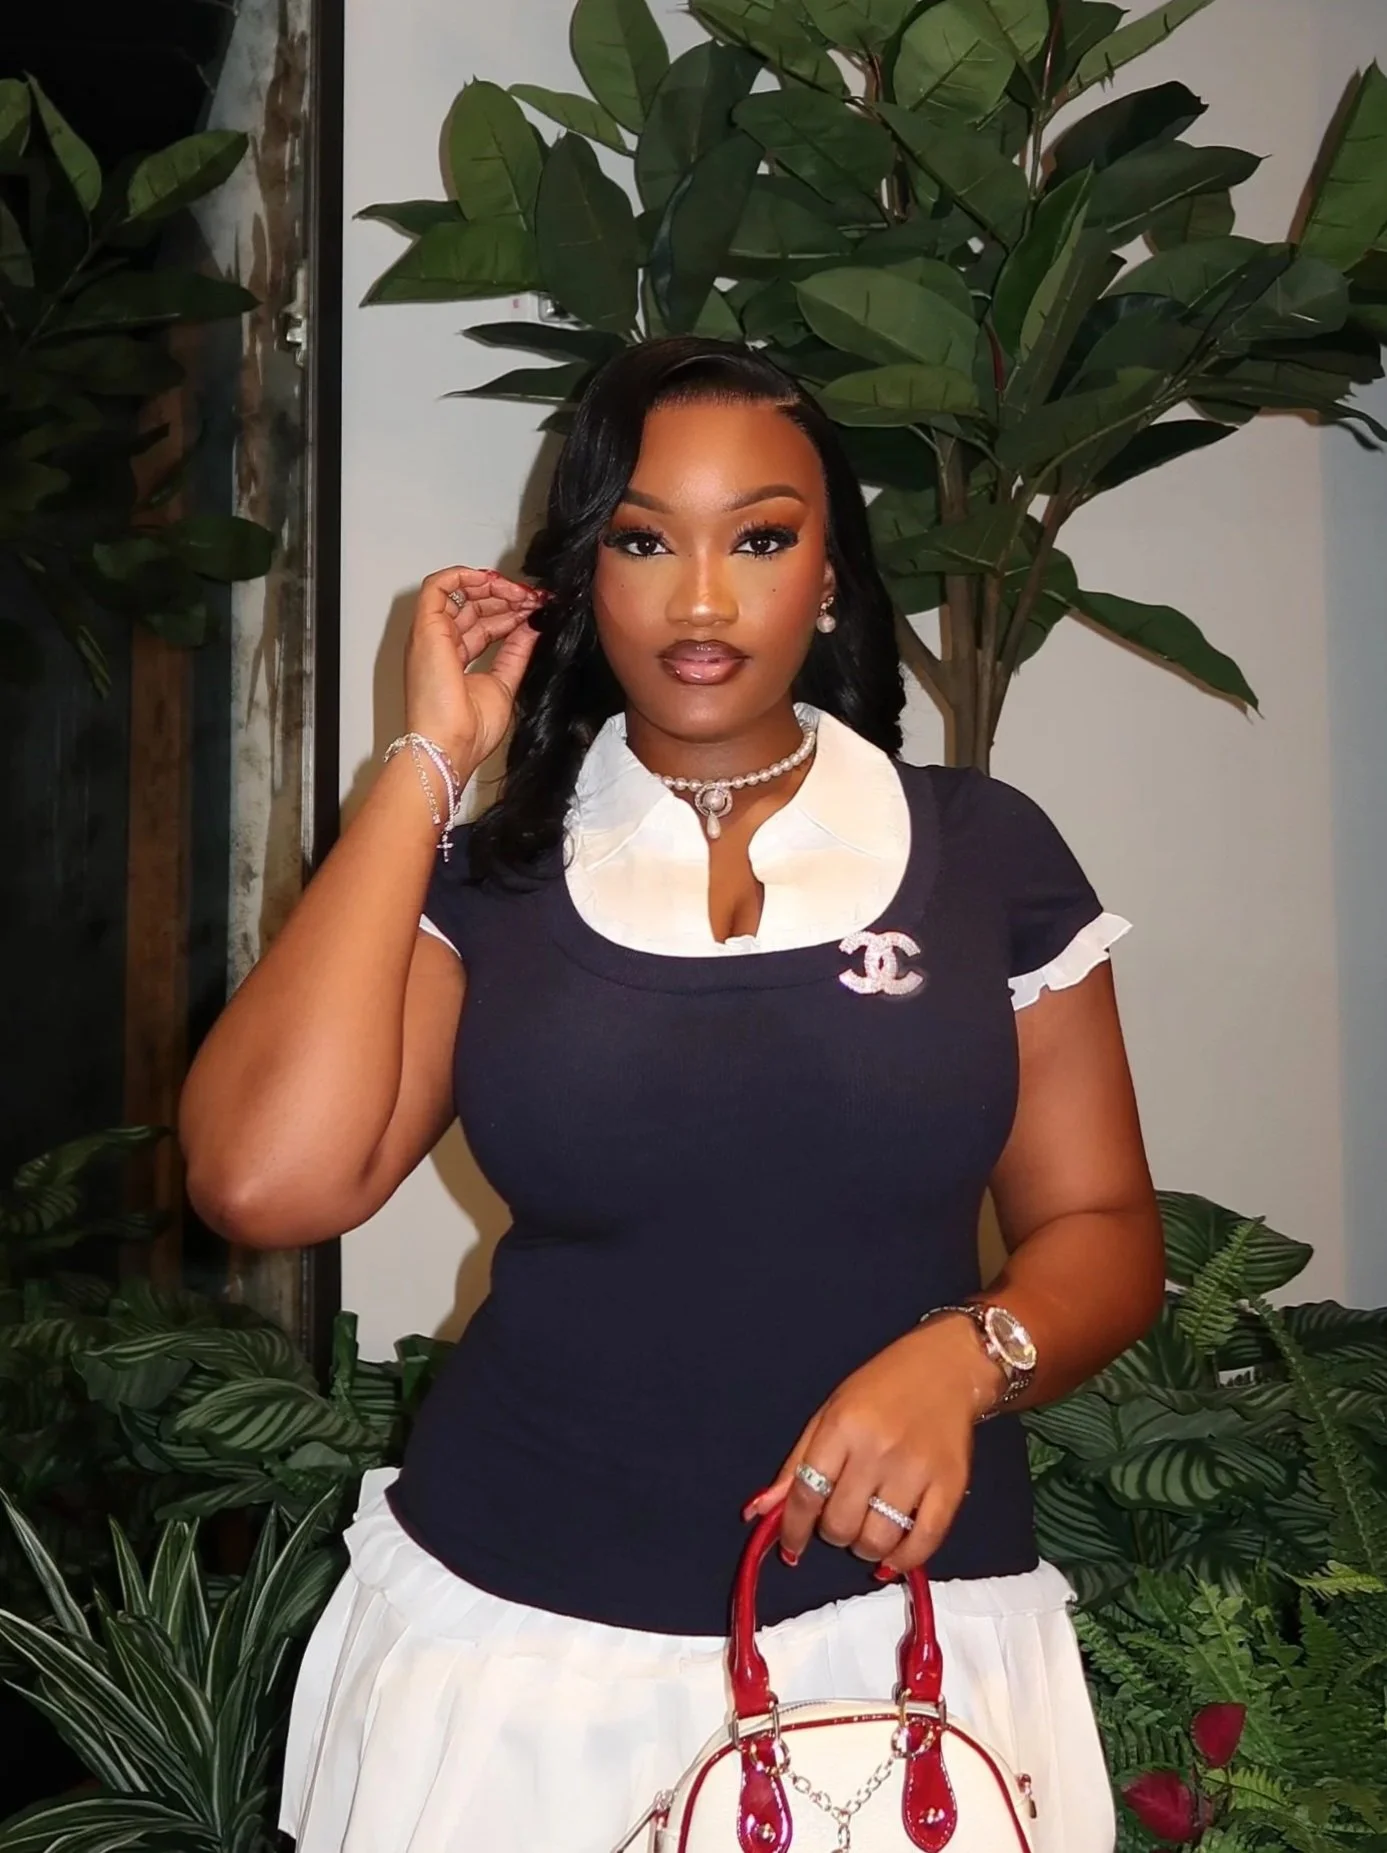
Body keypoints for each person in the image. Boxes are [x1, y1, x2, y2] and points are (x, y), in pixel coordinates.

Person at [179, 336, 1164, 1853]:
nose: (700, 601)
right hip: (518, 1641)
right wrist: (429, 763)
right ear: (583, 576)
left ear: (830, 572)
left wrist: (971, 1355)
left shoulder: (984, 851)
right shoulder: (496, 870)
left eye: (759, 539)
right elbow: (266, 1182)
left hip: (901, 1638)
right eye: (642, 540)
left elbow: (1100, 1225)